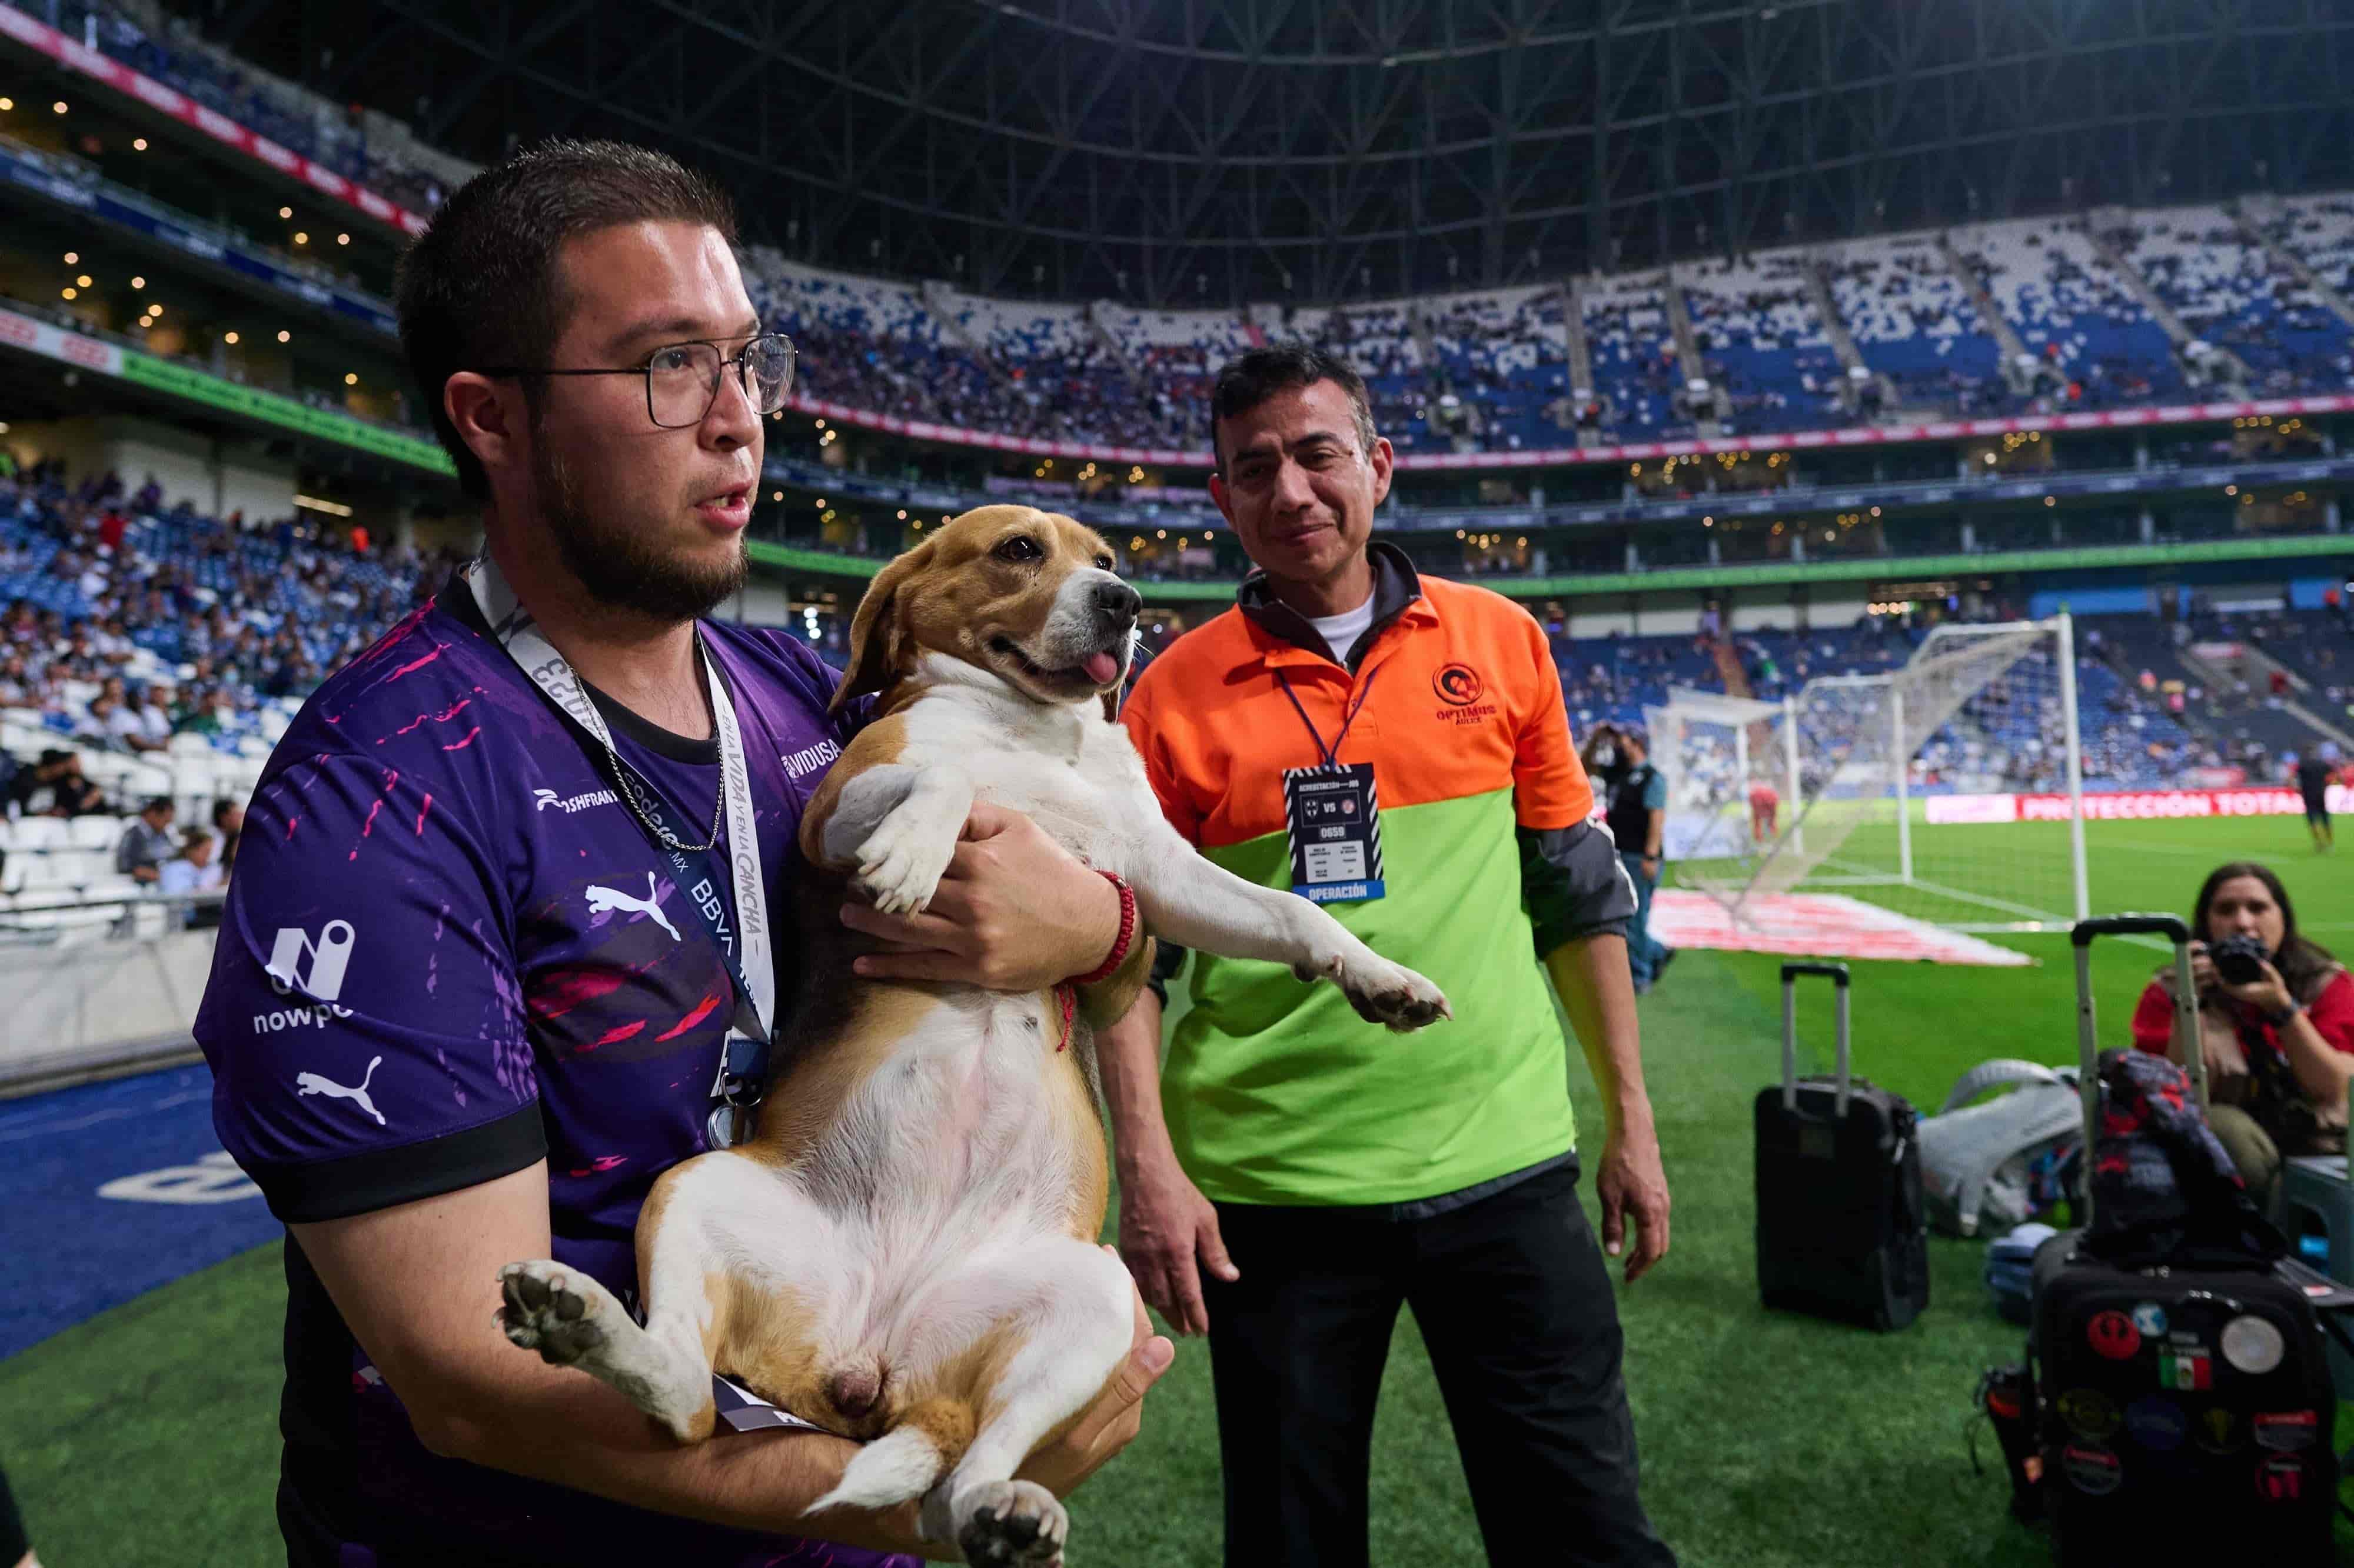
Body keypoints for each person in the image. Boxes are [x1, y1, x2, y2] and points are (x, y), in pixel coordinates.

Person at [194, 139, 1168, 1568]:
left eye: (743, 359)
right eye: (665, 363)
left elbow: (1101, 876)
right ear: (492, 420)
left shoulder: (801, 693)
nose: (736, 419)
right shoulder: (375, 791)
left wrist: (1097, 924)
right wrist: (913, 1491)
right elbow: (469, 1373)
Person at [1106, 344, 1675, 1568]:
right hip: (1275, 1186)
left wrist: (1628, 1117)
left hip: (1506, 1161)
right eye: (1253, 468)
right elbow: (1125, 969)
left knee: (1585, 1533)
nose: (1292, 490)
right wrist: (1147, 1171)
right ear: (1221, 498)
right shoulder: (1166, 700)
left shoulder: (1502, 641)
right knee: (1292, 1544)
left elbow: (1576, 898)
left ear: (1377, 467)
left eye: (1318, 454)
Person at [2130, 861, 2354, 1209]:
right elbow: (2170, 1096)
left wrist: (2282, 1008)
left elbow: (2333, 1089)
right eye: (2226, 910)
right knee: (2227, 1135)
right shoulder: (2172, 990)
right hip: (2228, 1142)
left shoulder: (2324, 984)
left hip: (2315, 1131)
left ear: (2283, 917)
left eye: (2258, 908)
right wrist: (2189, 1004)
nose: (2243, 923)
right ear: (2205, 923)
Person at [1587, 723, 1675, 995]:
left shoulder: (1652, 778)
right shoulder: (1619, 774)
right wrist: (1596, 739)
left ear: (1636, 744)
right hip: (1620, 853)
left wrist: (1651, 855)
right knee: (1622, 915)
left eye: (1622, 741)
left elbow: (1656, 819)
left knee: (1634, 917)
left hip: (1639, 856)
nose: (1617, 747)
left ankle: (1640, 977)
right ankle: (1658, 951)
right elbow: (1585, 767)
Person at [113, 797, 175, 884]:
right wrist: (158, 875)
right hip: (140, 885)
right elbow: (125, 866)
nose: (167, 825)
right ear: (152, 814)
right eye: (165, 821)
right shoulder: (133, 835)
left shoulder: (163, 834)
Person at [2298, 741, 2338, 851]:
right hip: (2321, 794)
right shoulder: (2322, 764)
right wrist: (2328, 783)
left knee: (2312, 820)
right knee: (2325, 819)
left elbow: (2292, 779)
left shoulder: (2303, 764)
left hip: (2308, 795)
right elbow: (2334, 774)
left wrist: (2297, 788)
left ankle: (2319, 843)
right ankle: (2330, 843)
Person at [1747, 777, 1780, 845]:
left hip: (1764, 801)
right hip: (1766, 800)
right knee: (1768, 820)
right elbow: (1775, 800)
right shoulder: (1763, 790)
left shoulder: (1755, 791)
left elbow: (1774, 800)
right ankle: (1768, 836)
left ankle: (1762, 837)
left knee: (1761, 820)